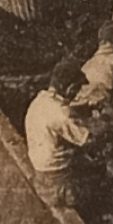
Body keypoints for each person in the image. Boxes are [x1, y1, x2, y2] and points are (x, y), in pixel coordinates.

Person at [24, 59, 99, 209]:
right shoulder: (62, 114)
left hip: (41, 172)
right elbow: (89, 140)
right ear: (70, 88)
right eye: (77, 88)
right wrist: (103, 122)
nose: (77, 93)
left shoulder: (40, 100)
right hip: (59, 180)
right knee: (99, 181)